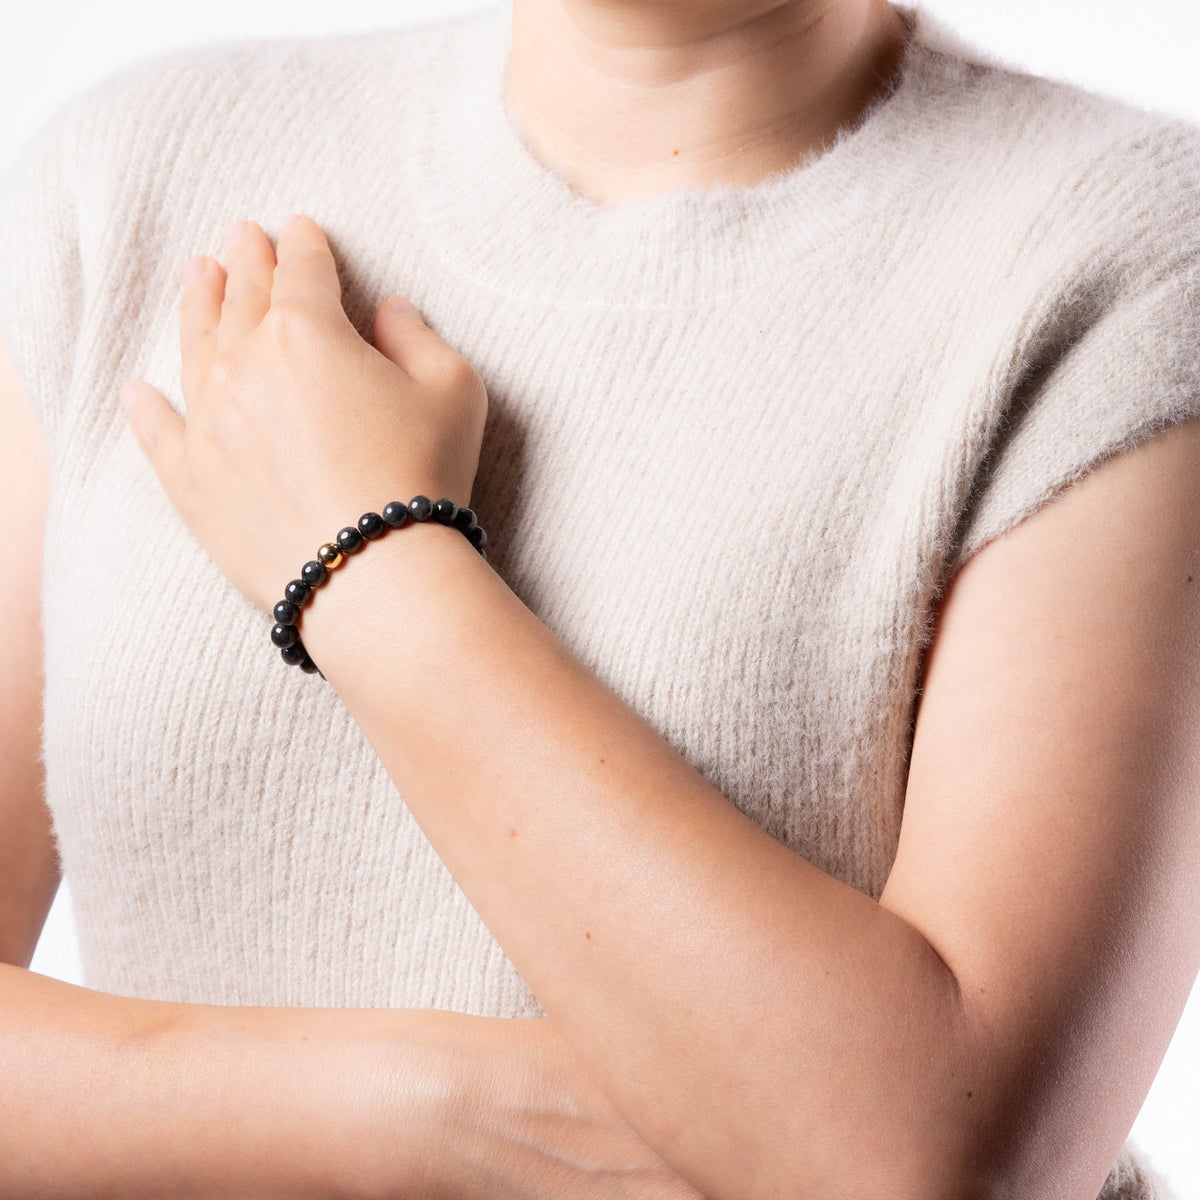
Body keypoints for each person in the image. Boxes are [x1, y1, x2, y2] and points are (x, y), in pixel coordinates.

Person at [1, 0, 1197, 1195]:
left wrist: (369, 564)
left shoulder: (1128, 257)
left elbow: (939, 1163)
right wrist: (428, 1118)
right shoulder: (140, 174)